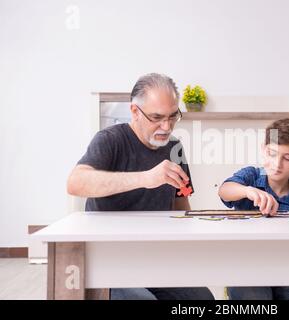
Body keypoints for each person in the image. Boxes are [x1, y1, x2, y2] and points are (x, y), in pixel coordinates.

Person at [67, 73, 214, 300]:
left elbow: (180, 201)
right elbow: (76, 183)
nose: (166, 126)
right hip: (108, 263)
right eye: (156, 117)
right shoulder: (109, 140)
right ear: (135, 111)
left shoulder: (174, 146)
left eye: (173, 116)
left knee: (202, 299)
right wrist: (146, 178)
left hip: (153, 260)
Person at [218, 118, 289, 300]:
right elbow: (224, 190)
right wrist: (247, 191)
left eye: (287, 158)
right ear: (263, 150)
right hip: (246, 266)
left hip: (288, 268)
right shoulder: (251, 176)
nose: (277, 164)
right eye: (272, 154)